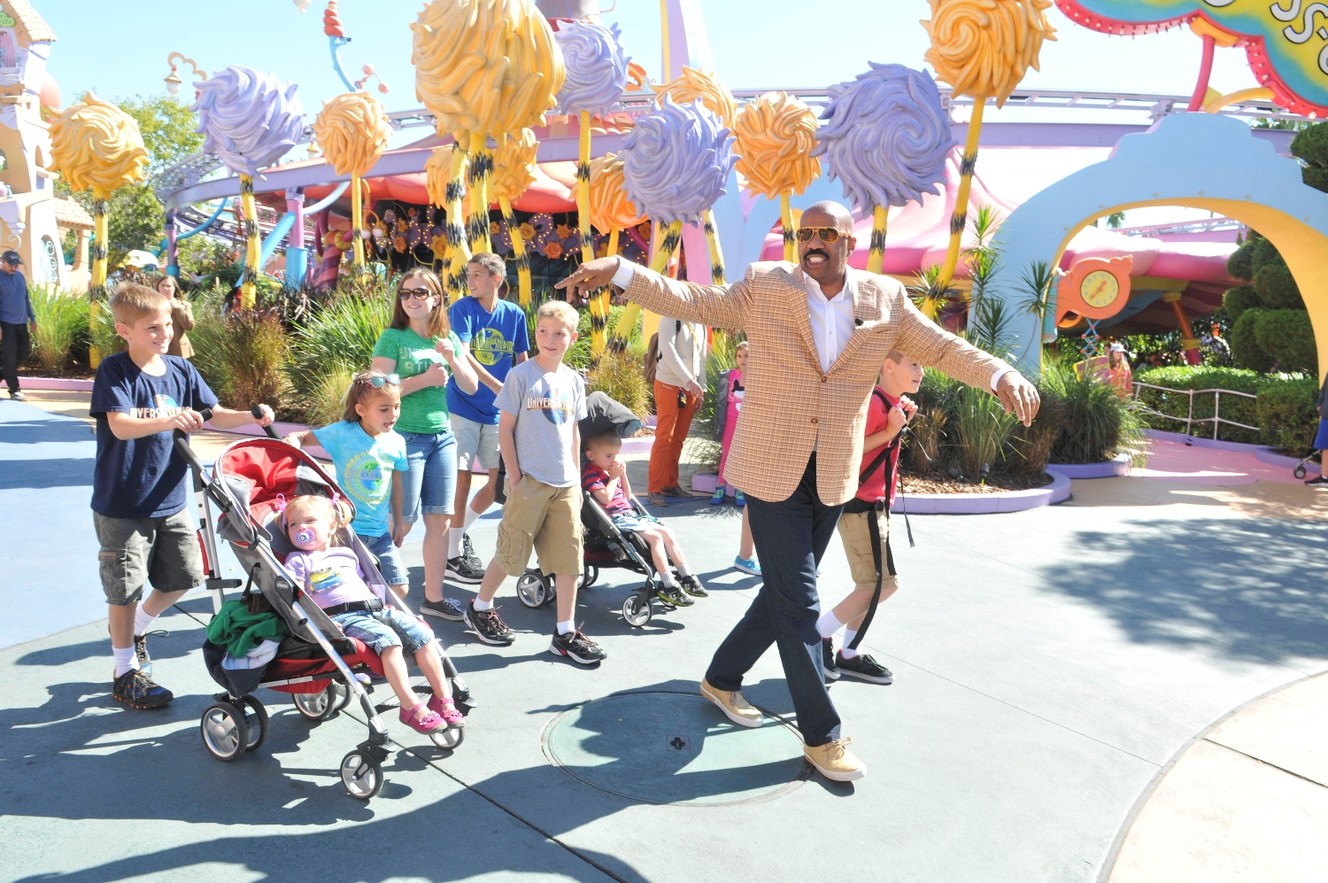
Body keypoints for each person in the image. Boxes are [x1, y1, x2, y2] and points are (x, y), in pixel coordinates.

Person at [558, 200, 1040, 782]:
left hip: (832, 471)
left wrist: (999, 373)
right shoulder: (767, 284)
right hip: (771, 466)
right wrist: (622, 270)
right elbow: (695, 300)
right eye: (805, 232)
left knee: (785, 594)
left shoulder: (885, 298)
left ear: (848, 242)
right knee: (802, 603)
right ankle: (822, 736)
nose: (813, 241)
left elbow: (940, 346)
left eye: (826, 233)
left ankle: (721, 678)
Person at [91, 282, 275, 709]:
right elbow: (120, 425)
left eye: (167, 325)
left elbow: (213, 414)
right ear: (124, 330)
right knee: (125, 588)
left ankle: (137, 626)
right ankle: (124, 671)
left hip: (170, 499)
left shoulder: (181, 370)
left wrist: (250, 416)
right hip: (123, 503)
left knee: (184, 577)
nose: (164, 334)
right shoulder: (116, 371)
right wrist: (170, 418)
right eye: (153, 328)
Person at [462, 300, 607, 666]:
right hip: (529, 481)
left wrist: (576, 481)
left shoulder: (574, 381)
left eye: (558, 334)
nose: (550, 340)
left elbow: (573, 433)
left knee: (569, 559)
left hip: (565, 485)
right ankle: (480, 606)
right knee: (511, 552)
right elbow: (506, 430)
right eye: (543, 332)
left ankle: (564, 633)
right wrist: (514, 476)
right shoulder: (521, 375)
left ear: (573, 338)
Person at [281, 494, 464, 733]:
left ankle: (443, 699)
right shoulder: (298, 560)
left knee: (423, 634)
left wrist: (385, 602)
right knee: (389, 641)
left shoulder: (346, 553)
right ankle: (410, 705)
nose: (301, 528)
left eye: (309, 521)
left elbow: (367, 581)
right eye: (293, 524)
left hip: (375, 608)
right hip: (343, 617)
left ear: (332, 526)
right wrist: (320, 623)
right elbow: (295, 595)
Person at [371, 268, 479, 620]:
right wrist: (425, 379)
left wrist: (452, 358)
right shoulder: (393, 338)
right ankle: (380, 596)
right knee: (401, 522)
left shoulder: (447, 337)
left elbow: (471, 386)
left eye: (420, 292)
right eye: (405, 293)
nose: (411, 299)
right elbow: (376, 391)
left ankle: (433, 598)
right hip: (405, 438)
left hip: (441, 437)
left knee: (441, 520)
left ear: (436, 298)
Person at [818, 350, 922, 686]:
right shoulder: (874, 403)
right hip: (860, 505)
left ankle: (850, 653)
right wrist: (891, 430)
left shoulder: (888, 403)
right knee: (882, 585)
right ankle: (818, 634)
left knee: (872, 583)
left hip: (874, 504)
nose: (921, 372)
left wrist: (899, 422)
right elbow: (849, 448)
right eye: (914, 364)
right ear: (889, 366)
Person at [284, 370, 410, 600]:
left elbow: (397, 484)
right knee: (351, 585)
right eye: (384, 409)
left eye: (397, 406)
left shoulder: (397, 442)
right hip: (347, 531)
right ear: (361, 410)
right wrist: (294, 439)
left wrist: (399, 522)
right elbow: (303, 437)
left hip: (380, 532)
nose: (393, 414)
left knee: (399, 588)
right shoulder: (341, 434)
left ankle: (375, 611)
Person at [445, 253, 530, 585]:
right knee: (462, 478)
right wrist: (497, 386)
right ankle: (453, 554)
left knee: (497, 485)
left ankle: (455, 536)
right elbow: (463, 353)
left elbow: (522, 359)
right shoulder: (462, 309)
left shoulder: (515, 314)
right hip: (462, 406)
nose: (470, 280)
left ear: (496, 279)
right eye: (468, 274)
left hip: (497, 413)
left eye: (477, 274)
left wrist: (525, 392)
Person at [582, 430, 707, 608]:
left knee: (667, 532)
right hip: (615, 519)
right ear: (590, 455)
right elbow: (605, 499)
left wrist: (622, 475)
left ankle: (686, 575)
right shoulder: (591, 475)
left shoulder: (609, 472)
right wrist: (614, 477)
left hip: (629, 514)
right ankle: (668, 583)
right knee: (655, 538)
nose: (614, 460)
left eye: (616, 455)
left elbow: (627, 496)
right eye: (609, 456)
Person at [647, 313, 706, 507]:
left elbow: (702, 357)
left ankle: (670, 484)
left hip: (690, 388)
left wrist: (702, 389)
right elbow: (668, 351)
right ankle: (654, 488)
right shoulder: (670, 318)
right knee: (664, 437)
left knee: (678, 439)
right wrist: (689, 381)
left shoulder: (701, 323)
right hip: (668, 383)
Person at [710, 340, 748, 507]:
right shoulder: (730, 375)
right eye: (739, 356)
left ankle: (740, 489)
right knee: (726, 454)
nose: (742, 359)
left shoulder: (756, 376)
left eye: (746, 356)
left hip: (746, 424)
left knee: (742, 456)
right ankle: (721, 487)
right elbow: (723, 400)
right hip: (730, 422)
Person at [0, 249, 35, 401]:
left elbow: (26, 298)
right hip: (6, 324)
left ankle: (3, 374)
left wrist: (32, 318)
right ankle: (15, 390)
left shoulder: (20, 277)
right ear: (3, 262)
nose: (14, 268)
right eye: (11, 265)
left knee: (23, 355)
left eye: (16, 265)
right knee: (10, 358)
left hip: (21, 323)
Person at [156, 275, 194, 360]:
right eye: (162, 285)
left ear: (174, 288)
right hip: (159, 348)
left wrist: (177, 308)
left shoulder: (184, 305)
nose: (165, 288)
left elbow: (189, 326)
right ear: (158, 287)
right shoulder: (151, 306)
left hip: (180, 350)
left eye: (169, 286)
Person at [1307, 371, 1328, 487]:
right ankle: (1324, 478)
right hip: (1326, 415)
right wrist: (1319, 405)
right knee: (1325, 447)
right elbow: (1324, 390)